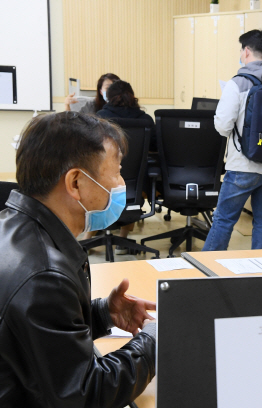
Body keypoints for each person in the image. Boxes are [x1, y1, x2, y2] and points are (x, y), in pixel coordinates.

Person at [0, 112, 156, 406]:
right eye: (117, 171)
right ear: (75, 183)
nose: (121, 183)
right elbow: (86, 393)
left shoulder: (14, 226)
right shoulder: (44, 276)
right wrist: (153, 343)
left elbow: (34, 339)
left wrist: (100, 314)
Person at [202, 29, 262, 251]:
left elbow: (222, 125)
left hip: (242, 165)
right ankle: (258, 271)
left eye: (241, 50)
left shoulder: (237, 83)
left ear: (247, 51)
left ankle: (204, 272)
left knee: (224, 219)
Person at [96, 79, 155, 254]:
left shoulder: (100, 119)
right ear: (132, 96)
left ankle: (86, 241)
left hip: (103, 181)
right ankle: (122, 239)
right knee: (135, 181)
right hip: (135, 187)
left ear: (109, 97)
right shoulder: (145, 120)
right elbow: (155, 147)